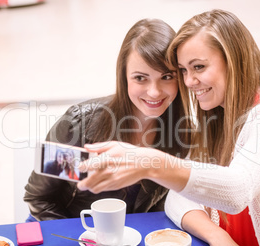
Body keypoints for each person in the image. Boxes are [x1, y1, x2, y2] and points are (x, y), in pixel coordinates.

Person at [77, 10, 260, 246]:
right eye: (183, 71)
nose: (189, 81)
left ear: (235, 61)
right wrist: (218, 236)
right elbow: (178, 197)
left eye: (198, 67)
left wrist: (148, 161)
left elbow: (236, 190)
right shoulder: (217, 120)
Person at [23, 18, 190, 221]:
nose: (154, 92)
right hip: (71, 234)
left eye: (166, 77)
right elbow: (39, 198)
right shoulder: (80, 125)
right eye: (140, 78)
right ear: (123, 77)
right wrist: (86, 239)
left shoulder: (183, 133)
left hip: (133, 241)